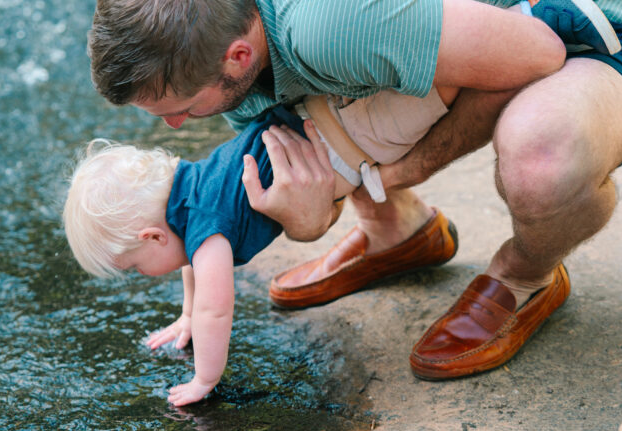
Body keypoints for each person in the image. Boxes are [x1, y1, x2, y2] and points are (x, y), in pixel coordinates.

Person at [88, 0, 622, 380]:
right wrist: (315, 202)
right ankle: (396, 233)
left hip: (596, 23)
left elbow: (536, 55)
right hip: (460, 20)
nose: (177, 128)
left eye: (177, 108)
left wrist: (386, 175)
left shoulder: (329, 25)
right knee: (307, 94)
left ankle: (526, 275)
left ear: (235, 56)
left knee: (541, 159)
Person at [63, 83, 461, 405]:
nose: (140, 275)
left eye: (133, 266)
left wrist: (204, 378)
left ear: (152, 237)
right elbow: (191, 269)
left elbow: (215, 310)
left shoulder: (208, 231)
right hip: (311, 115)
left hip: (340, 138)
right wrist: (186, 317)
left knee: (437, 95)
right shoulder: (190, 198)